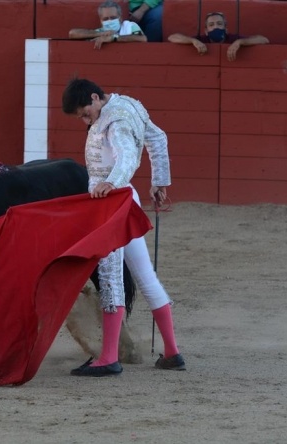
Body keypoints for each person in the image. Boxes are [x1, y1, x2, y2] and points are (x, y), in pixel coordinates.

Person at [62, 78, 185, 377]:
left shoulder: (114, 121)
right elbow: (158, 138)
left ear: (95, 97)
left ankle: (108, 358)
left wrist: (110, 183)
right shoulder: (129, 104)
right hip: (124, 199)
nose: (84, 119)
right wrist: (159, 182)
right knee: (144, 275)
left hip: (112, 203)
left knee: (111, 276)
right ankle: (171, 352)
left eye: (84, 112)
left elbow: (127, 156)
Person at [167, 12, 269, 61]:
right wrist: (192, 41)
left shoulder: (233, 39)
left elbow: (264, 39)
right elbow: (172, 37)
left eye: (219, 23)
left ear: (226, 29)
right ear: (206, 31)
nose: (216, 27)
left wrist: (240, 42)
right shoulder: (201, 39)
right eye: (211, 25)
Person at [69, 1, 147, 50]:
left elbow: (142, 38)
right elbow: (72, 34)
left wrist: (113, 38)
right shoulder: (100, 31)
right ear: (101, 21)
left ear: (120, 18)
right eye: (105, 19)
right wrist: (101, 34)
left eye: (113, 18)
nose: (109, 21)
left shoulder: (129, 26)